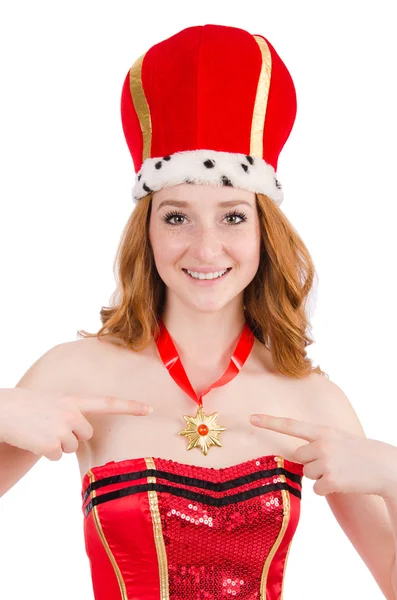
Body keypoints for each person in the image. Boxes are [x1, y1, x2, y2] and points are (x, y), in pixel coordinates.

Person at [2, 23, 395, 600]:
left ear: (265, 232)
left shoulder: (312, 399)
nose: (206, 248)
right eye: (177, 216)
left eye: (233, 216)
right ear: (147, 232)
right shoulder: (73, 374)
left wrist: (394, 475)